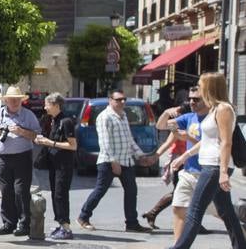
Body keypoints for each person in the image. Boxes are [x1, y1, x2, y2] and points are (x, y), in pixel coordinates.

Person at [149, 72, 246, 249]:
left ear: (211, 86)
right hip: (209, 164)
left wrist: (223, 173)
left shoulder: (224, 109)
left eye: (201, 85)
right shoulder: (213, 109)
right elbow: (207, 141)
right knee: (226, 212)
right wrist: (185, 156)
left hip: (214, 166)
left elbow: (226, 142)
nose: (198, 89)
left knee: (194, 211)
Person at [76, 90, 152, 234]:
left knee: (131, 191)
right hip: (109, 161)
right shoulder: (105, 117)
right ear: (110, 100)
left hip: (126, 160)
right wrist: (113, 162)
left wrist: (141, 155)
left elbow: (129, 139)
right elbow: (105, 142)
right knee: (100, 190)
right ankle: (83, 217)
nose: (122, 102)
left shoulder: (123, 116)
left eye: (124, 99)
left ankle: (132, 223)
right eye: (118, 100)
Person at [0, 85, 42, 237]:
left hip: (22, 156)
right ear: (5, 101)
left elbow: (37, 136)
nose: (15, 102)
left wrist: (21, 131)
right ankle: (8, 223)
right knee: (6, 191)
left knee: (21, 191)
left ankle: (24, 223)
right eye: (12, 99)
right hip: (4, 158)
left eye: (17, 99)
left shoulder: (28, 115)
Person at [33, 93, 77, 240]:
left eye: (47, 104)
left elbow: (72, 146)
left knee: (61, 195)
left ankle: (66, 228)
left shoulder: (66, 122)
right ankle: (60, 223)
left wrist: (49, 142)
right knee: (55, 194)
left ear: (56, 105)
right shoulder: (52, 120)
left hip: (64, 165)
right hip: (54, 164)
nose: (45, 107)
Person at [144, 102, 193, 231]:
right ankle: (191, 222)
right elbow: (166, 139)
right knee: (180, 191)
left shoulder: (195, 124)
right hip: (180, 163)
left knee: (182, 192)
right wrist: (156, 156)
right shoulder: (180, 126)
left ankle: (152, 213)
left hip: (191, 162)